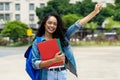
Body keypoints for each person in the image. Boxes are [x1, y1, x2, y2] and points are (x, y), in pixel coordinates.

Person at [31, 4, 102, 80]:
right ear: (44, 24)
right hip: (47, 75)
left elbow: (77, 25)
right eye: (49, 23)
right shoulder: (37, 42)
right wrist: (54, 60)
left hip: (63, 74)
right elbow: (35, 64)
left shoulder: (63, 37)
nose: (52, 26)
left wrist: (94, 12)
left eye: (55, 24)